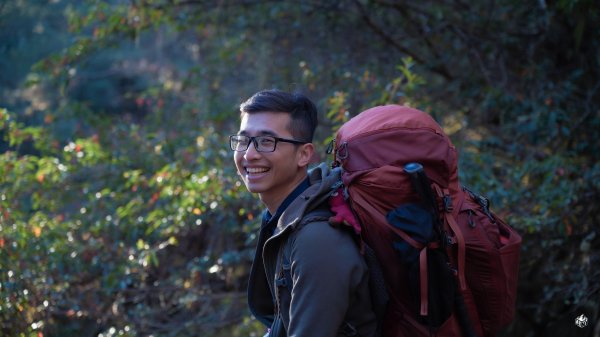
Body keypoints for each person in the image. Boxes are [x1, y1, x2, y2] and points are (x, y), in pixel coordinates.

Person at [230, 89, 378, 337]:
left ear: (304, 154)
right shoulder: (285, 220)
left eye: (267, 141)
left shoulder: (318, 239)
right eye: (243, 140)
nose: (249, 154)